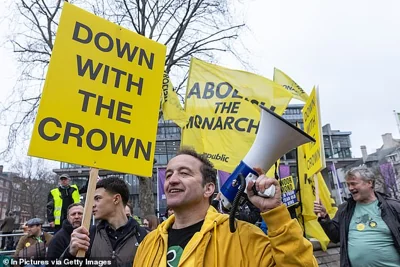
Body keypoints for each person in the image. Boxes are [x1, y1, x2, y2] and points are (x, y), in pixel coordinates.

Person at [133, 148, 317, 266]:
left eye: (184, 173)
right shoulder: (149, 244)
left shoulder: (244, 238)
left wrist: (274, 215)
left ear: (208, 189)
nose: (172, 180)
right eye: (169, 175)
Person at [314, 166, 400, 266]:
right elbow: (335, 237)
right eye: (348, 184)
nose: (350, 188)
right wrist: (324, 217)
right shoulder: (345, 209)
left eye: (353, 184)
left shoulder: (394, 207)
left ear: (369, 183)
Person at [62, 176, 147, 266]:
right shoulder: (88, 235)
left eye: (97, 198)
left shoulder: (143, 236)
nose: (92, 205)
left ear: (116, 199)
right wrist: (70, 254)